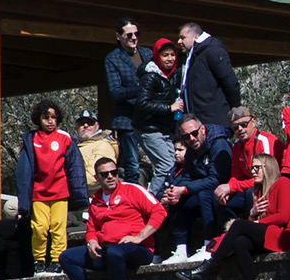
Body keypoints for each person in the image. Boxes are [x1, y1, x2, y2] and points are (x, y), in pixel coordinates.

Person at [178, 153, 290, 280]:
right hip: (270, 235)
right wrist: (253, 216)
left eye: (257, 168)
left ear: (268, 168)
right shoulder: (260, 192)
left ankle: (209, 266)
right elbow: (256, 226)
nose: (253, 172)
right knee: (239, 241)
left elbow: (283, 217)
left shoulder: (283, 183)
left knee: (239, 224)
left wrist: (255, 222)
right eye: (251, 168)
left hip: (286, 237)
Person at [60, 156, 166, 280]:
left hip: (137, 249)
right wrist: (91, 241)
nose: (110, 176)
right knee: (66, 257)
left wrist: (139, 237)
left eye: (113, 172)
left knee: (115, 252)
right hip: (107, 250)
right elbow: (91, 227)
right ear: (97, 178)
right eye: (105, 174)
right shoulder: (96, 200)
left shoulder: (132, 190)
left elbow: (159, 212)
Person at [15, 99, 88, 274]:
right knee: (39, 227)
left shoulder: (65, 138)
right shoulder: (31, 139)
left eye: (53, 117)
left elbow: (75, 168)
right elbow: (24, 172)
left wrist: (79, 193)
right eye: (45, 117)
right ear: (38, 119)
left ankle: (57, 260)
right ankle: (39, 259)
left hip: (60, 192)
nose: (50, 121)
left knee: (58, 227)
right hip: (38, 193)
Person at [162, 115, 232, 264]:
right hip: (202, 188)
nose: (192, 138)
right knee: (176, 199)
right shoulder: (191, 150)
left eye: (194, 133)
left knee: (203, 194)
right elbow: (187, 175)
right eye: (187, 136)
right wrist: (175, 190)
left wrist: (185, 189)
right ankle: (181, 249)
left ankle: (209, 246)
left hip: (222, 191)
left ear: (202, 129)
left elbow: (216, 179)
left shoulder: (218, 144)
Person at [103, 17, 152, 182]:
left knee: (160, 160)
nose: (133, 38)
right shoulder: (113, 59)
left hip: (150, 117)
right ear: (119, 36)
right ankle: (133, 202)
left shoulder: (148, 54)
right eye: (129, 34)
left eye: (136, 34)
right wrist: (141, 88)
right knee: (132, 166)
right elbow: (115, 92)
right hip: (127, 120)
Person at [214, 106, 280, 228]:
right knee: (221, 200)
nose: (240, 129)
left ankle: (249, 231)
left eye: (244, 124)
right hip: (253, 186)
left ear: (253, 122)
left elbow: (266, 177)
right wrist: (228, 189)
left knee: (250, 194)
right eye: (235, 127)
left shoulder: (263, 141)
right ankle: (227, 236)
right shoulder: (237, 146)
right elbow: (236, 175)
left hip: (270, 187)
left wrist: (231, 187)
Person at [134, 37, 183, 196]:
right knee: (165, 165)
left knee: (174, 165)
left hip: (166, 129)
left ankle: (165, 200)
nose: (170, 59)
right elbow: (143, 103)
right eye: (165, 55)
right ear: (157, 56)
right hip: (149, 129)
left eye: (172, 55)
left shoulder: (175, 75)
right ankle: (151, 201)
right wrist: (169, 108)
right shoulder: (150, 76)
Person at [177, 22, 242, 140]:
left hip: (215, 124)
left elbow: (230, 82)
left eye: (182, 38)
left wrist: (234, 110)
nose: (179, 42)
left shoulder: (213, 50)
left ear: (195, 36)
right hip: (198, 125)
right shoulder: (191, 58)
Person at [74, 110, 119, 192]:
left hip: (95, 197)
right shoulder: (74, 146)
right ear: (76, 128)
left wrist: (66, 180)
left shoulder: (103, 145)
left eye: (90, 123)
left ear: (97, 126)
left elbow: (95, 177)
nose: (85, 125)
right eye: (81, 123)